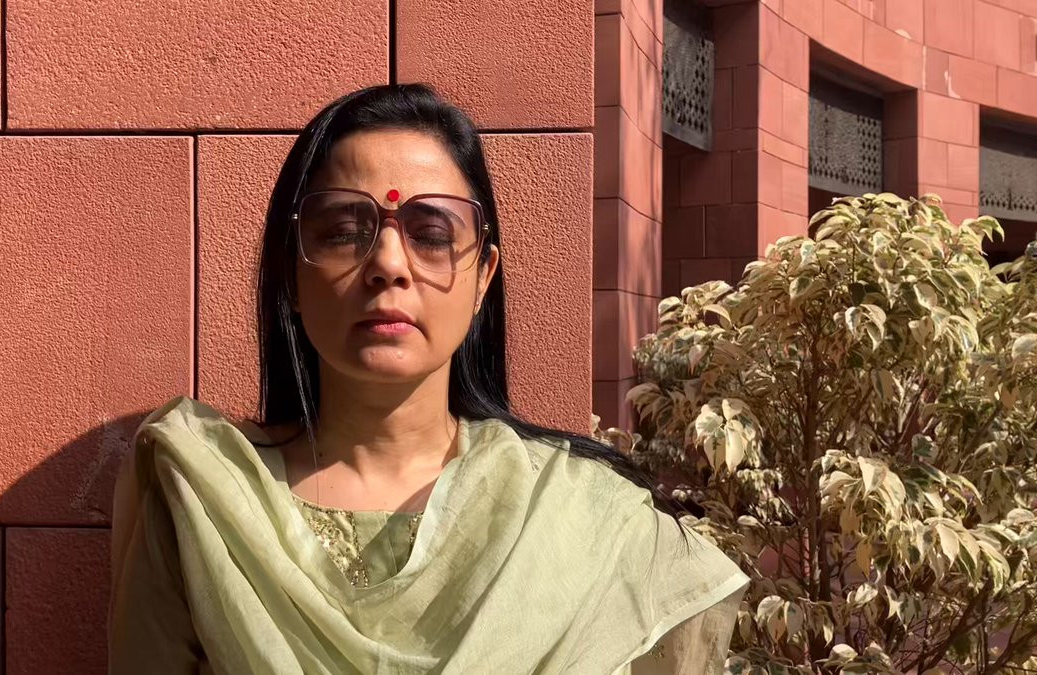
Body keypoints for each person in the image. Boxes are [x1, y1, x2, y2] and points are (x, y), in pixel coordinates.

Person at [108, 84, 748, 674]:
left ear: (482, 279)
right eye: (343, 231)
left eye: (432, 234)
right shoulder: (207, 496)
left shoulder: (589, 519)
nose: (389, 263)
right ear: (291, 275)